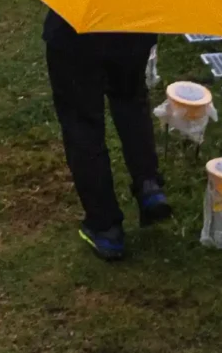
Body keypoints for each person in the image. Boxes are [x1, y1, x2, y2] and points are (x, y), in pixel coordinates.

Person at [43, 14, 171, 259]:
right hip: (134, 24)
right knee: (131, 100)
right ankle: (148, 184)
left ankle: (105, 227)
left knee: (82, 123)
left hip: (75, 34)